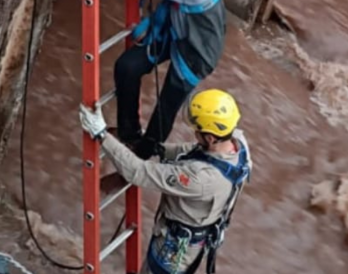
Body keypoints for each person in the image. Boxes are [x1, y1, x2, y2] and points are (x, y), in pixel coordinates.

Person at [79, 89, 252, 274]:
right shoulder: (237, 145)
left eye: (197, 131)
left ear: (210, 138)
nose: (194, 133)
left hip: (173, 251)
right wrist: (152, 146)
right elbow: (191, 151)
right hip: (191, 237)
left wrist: (101, 135)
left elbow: (138, 171)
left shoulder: (201, 178)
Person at [106, 0, 227, 160]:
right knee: (127, 67)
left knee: (166, 106)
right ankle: (129, 134)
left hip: (200, 48)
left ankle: (142, 156)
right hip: (179, 25)